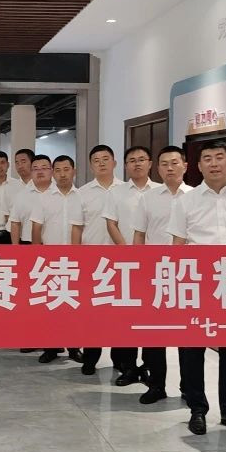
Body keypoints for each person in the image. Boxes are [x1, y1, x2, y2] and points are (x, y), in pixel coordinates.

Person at [168, 140, 226, 437]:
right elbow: (177, 246)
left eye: (220, 157)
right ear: (198, 165)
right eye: (207, 158)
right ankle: (197, 409)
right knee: (191, 350)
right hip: (197, 284)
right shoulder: (186, 202)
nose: (214, 163)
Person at [132, 145, 192, 404]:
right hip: (154, 273)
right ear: (157, 169)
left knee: (187, 336)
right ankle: (156, 385)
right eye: (164, 164)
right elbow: (139, 235)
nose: (170, 168)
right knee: (154, 334)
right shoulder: (148, 198)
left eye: (175, 163)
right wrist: (137, 269)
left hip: (188, 275)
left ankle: (189, 388)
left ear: (185, 166)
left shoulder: (195, 196)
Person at [102, 145, 160, 386]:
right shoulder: (116, 193)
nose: (137, 163)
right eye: (132, 160)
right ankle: (127, 367)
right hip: (124, 264)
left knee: (150, 319)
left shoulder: (159, 192)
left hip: (154, 266)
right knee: (125, 317)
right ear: (125, 166)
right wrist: (127, 252)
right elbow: (111, 223)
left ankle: (149, 366)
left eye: (142, 159)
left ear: (150, 163)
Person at [70, 144, 123, 375]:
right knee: (93, 313)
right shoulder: (82, 193)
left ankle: (121, 361)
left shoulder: (125, 190)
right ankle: (91, 358)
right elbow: (76, 228)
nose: (101, 163)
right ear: (91, 166)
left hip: (121, 262)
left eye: (105, 159)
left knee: (120, 313)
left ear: (114, 163)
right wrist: (76, 259)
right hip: (92, 261)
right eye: (96, 160)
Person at [31, 155, 82, 364]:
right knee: (50, 306)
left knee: (73, 306)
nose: (62, 174)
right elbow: (36, 228)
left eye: (66, 169)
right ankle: (51, 347)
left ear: (74, 171)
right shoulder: (43, 198)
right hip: (50, 260)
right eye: (58, 170)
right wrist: (37, 257)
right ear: (53, 172)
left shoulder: (81, 197)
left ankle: (74, 347)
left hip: (75, 260)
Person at [10, 154, 56, 354]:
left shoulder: (61, 192)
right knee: (32, 298)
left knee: (57, 296)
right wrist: (16, 251)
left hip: (55, 248)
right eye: (35, 168)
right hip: (29, 248)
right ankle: (33, 337)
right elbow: (15, 223)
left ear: (51, 170)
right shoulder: (22, 195)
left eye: (44, 167)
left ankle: (62, 343)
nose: (40, 171)